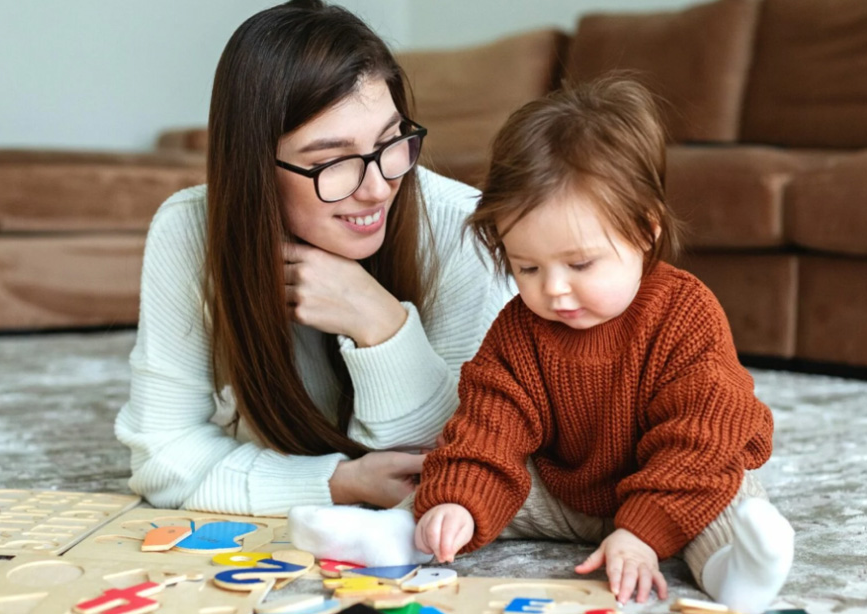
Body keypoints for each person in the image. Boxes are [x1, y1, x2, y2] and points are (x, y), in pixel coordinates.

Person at [290, 76, 795, 614]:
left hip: (665, 481)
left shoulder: (683, 313)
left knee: (726, 492)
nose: (553, 289)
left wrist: (643, 533)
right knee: (474, 478)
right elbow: (491, 424)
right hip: (565, 494)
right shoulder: (520, 328)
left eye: (580, 264)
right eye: (527, 267)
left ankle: (734, 571)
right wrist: (456, 501)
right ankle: (396, 534)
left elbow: (703, 434)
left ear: (645, 231)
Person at [114, 0, 514, 519]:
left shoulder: (465, 230)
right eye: (332, 162)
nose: (378, 188)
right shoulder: (190, 228)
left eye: (391, 141)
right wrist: (341, 482)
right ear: (255, 164)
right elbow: (163, 458)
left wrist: (380, 323)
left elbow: (463, 465)